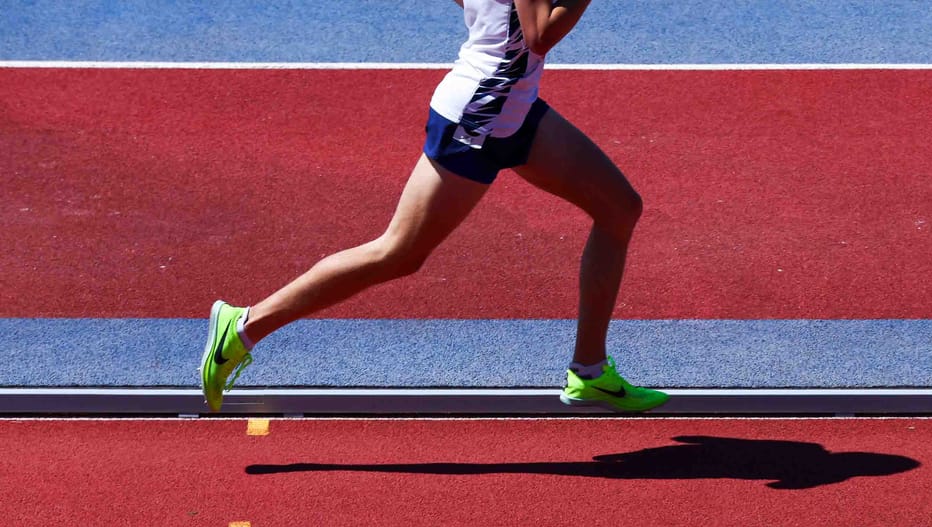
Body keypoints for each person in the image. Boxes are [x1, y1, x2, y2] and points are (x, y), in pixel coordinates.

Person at [200, 0, 667, 412]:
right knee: (399, 252)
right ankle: (242, 327)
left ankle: (589, 371)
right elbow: (539, 35)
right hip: (480, 114)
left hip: (514, 111)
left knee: (619, 208)